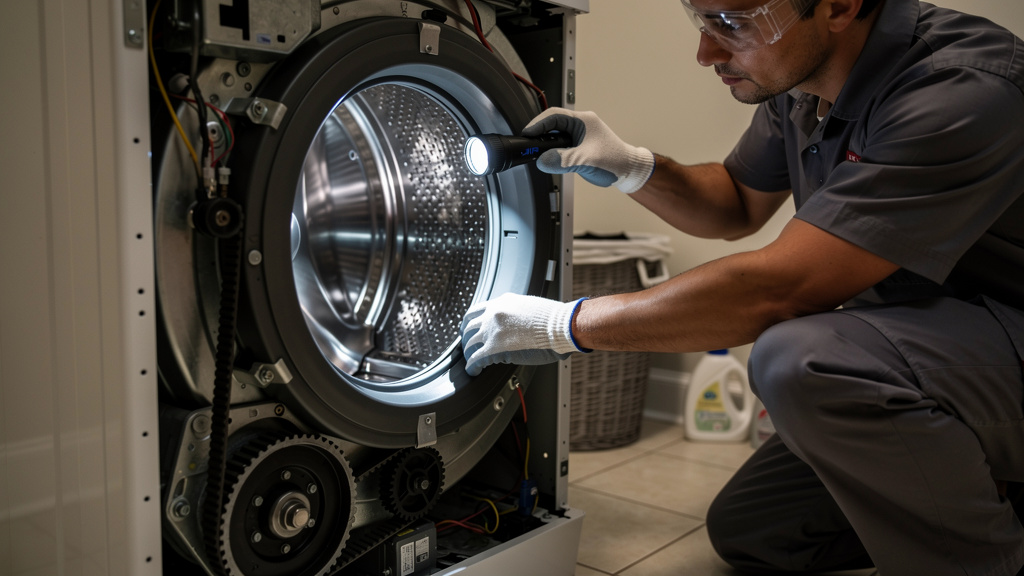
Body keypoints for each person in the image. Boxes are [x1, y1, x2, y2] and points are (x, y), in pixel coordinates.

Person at [459, 0, 1024, 573]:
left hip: (1006, 337)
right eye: (701, 22)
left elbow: (778, 290)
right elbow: (735, 202)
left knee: (802, 360)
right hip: (939, 346)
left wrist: (566, 326)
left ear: (839, 7)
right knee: (758, 529)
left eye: (731, 23)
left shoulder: (959, 88)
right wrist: (633, 166)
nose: (706, 52)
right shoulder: (805, 84)